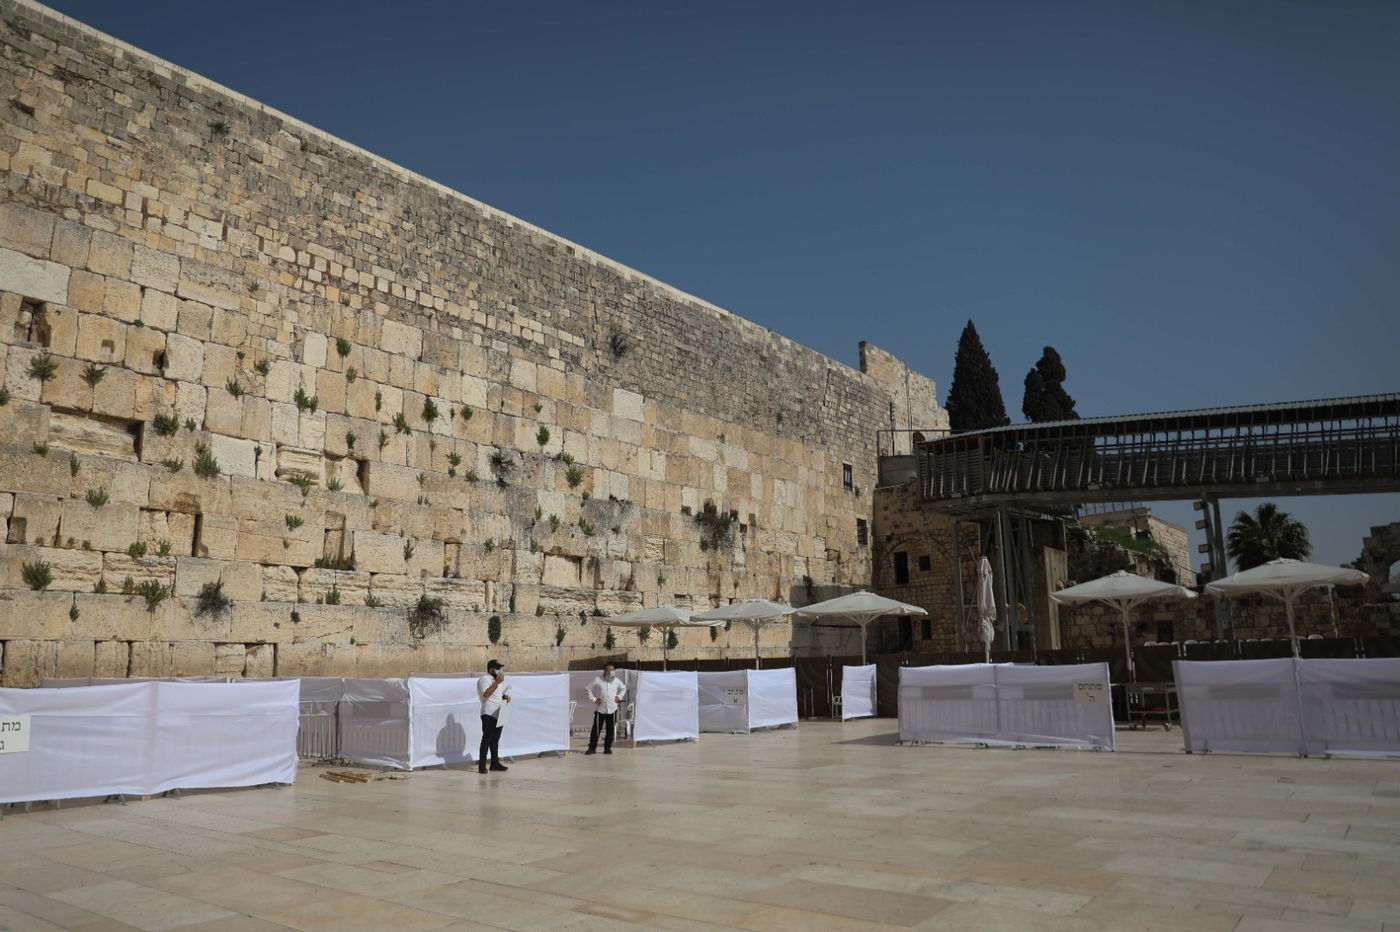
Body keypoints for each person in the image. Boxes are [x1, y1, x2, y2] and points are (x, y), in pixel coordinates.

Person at [584, 663, 626, 755]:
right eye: (610, 671)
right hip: (600, 709)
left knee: (610, 730)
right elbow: (588, 688)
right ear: (605, 671)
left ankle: (607, 748)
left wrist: (619, 697)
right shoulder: (598, 679)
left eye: (613, 671)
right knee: (596, 730)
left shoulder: (617, 680)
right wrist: (594, 699)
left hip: (612, 709)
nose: (612, 673)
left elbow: (623, 688)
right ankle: (592, 748)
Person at [477, 659, 510, 774]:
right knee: (487, 739)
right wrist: (497, 683)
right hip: (488, 713)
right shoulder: (484, 679)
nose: (499, 671)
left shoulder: (498, 681)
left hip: (499, 712)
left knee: (495, 739)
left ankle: (494, 763)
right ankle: (482, 766)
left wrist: (504, 697)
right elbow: (485, 694)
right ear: (491, 669)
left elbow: (496, 695)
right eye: (497, 669)